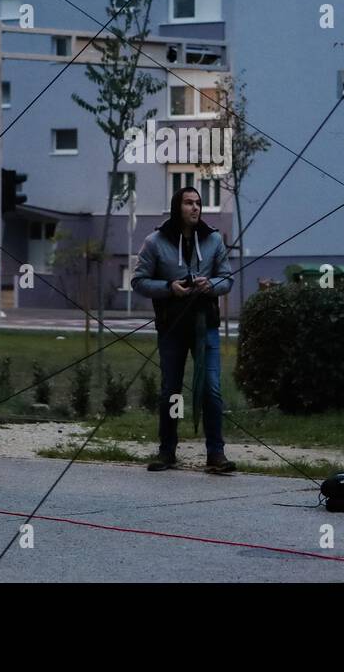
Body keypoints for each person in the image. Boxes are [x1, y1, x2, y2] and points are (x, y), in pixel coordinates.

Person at [131, 186, 235, 474]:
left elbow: (228, 279)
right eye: (189, 203)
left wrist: (210, 284)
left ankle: (216, 453)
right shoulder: (155, 241)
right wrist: (169, 287)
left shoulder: (213, 239)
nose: (195, 208)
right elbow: (138, 282)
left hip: (206, 326)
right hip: (172, 326)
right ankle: (167, 452)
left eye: (198, 203)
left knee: (211, 389)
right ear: (178, 206)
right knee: (171, 391)